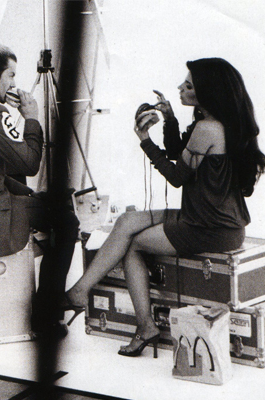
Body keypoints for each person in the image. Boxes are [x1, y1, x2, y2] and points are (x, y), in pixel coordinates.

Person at [62, 57, 265, 356]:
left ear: (208, 92)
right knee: (128, 221)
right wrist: (170, 118)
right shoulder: (223, 124)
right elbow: (180, 154)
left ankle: (144, 326)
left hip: (208, 228)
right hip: (212, 220)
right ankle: (80, 291)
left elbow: (177, 177)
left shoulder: (208, 128)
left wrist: (144, 140)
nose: (180, 88)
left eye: (188, 86)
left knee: (133, 246)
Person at [0, 42, 80, 335]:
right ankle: (46, 316)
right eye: (10, 75)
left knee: (41, 199)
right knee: (66, 221)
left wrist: (27, 194)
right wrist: (31, 117)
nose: (13, 83)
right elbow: (30, 163)